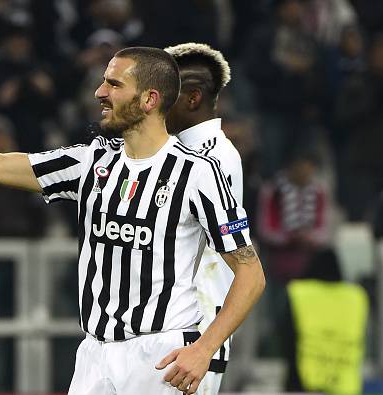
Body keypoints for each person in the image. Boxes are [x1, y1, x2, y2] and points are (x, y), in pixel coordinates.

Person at [0, 46, 265, 394]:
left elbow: (250, 274)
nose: (100, 92)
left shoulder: (198, 172)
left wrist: (204, 349)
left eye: (114, 84)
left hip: (163, 355)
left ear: (150, 99)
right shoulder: (90, 163)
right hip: (94, 356)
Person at [164, 42, 243, 394]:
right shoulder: (185, 152)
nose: (158, 102)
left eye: (167, 93)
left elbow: (235, 248)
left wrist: (205, 345)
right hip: (171, 330)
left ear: (192, 98)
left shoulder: (214, 159)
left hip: (197, 333)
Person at [282, 248, 368, 394]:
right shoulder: (356, 297)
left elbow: (286, 336)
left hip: (303, 382)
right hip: (347, 384)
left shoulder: (298, 292)